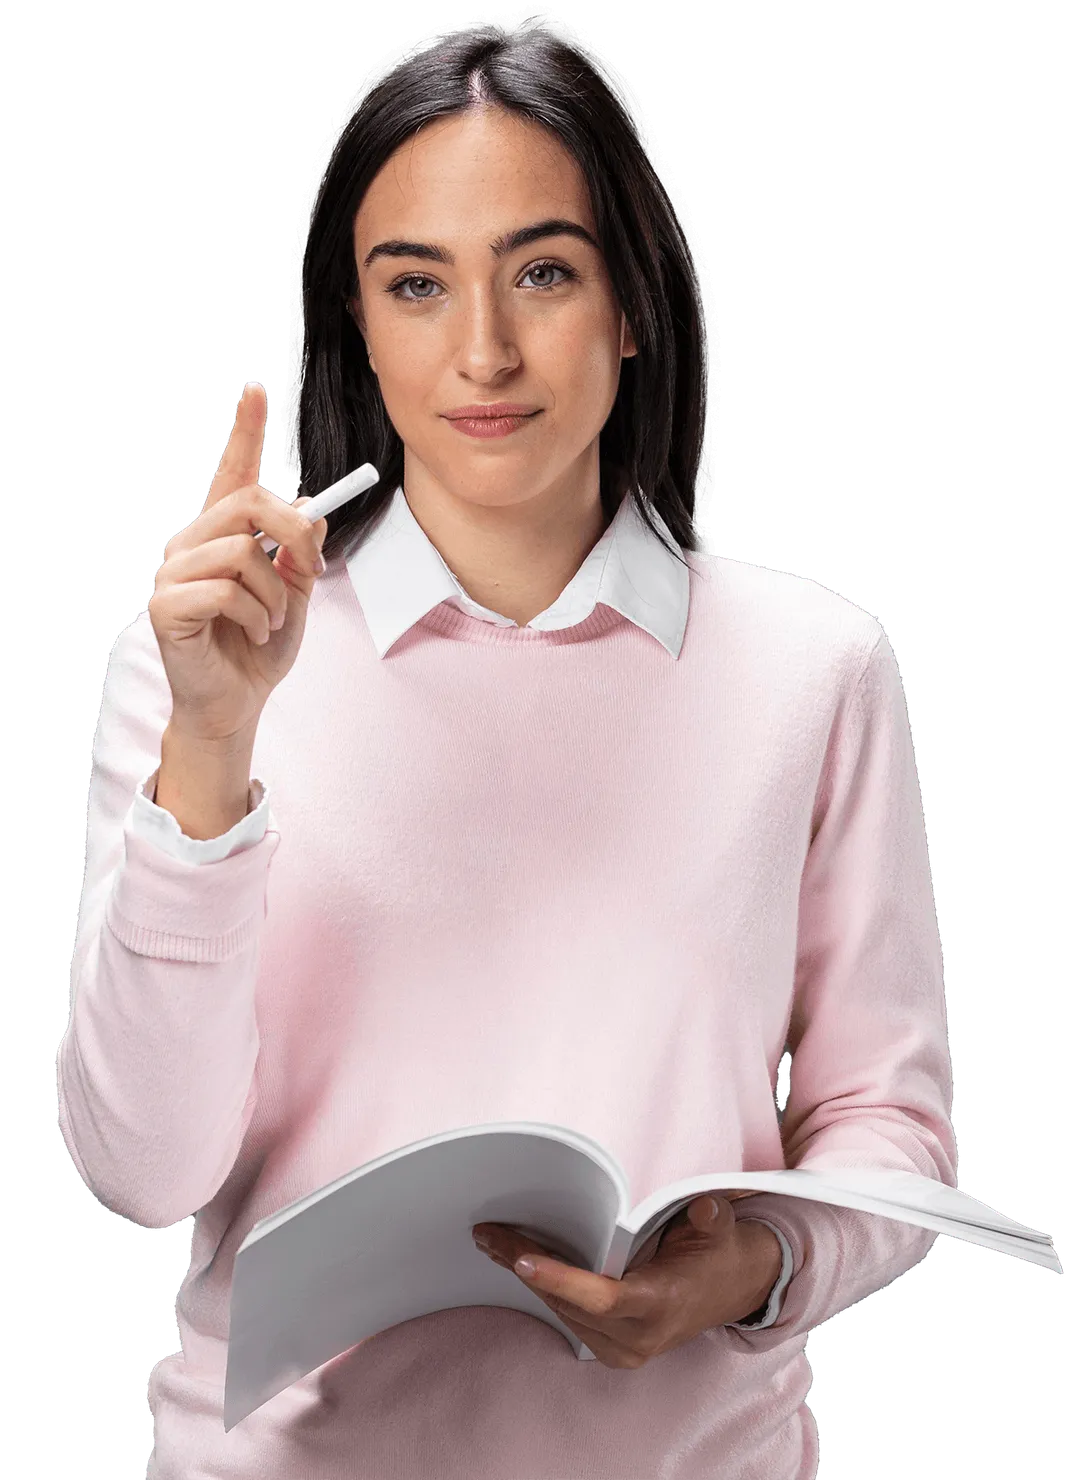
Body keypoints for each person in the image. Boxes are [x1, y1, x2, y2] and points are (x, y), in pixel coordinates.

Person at [56, 12, 957, 1479]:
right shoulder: (201, 667)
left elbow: (893, 1129)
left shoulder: (816, 666)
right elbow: (142, 1173)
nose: (482, 351)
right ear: (356, 319)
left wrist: (745, 1271)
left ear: (632, 305)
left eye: (542, 271)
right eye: (416, 285)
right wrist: (212, 750)